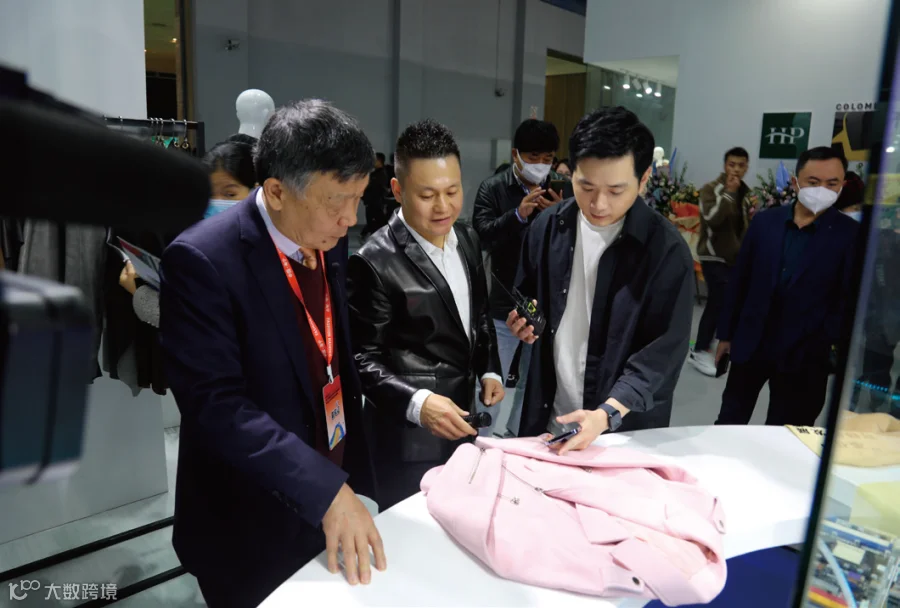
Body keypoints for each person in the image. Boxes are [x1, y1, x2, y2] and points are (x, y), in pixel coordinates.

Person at [159, 100, 386, 607]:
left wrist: (347, 481)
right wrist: (323, 488)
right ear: (278, 191)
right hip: (248, 521)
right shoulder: (202, 259)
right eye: (337, 202)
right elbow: (217, 406)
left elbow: (332, 352)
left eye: (358, 198)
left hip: (328, 494)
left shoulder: (326, 235)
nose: (350, 219)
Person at [507, 107, 694, 453]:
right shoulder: (548, 228)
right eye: (586, 186)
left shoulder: (666, 253)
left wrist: (606, 414)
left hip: (620, 430)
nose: (598, 204)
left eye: (616, 190)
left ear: (644, 178)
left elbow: (661, 355)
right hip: (550, 418)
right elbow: (529, 294)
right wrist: (524, 323)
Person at [348, 119, 503, 509]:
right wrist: (417, 403)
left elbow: (479, 315)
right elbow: (361, 358)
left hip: (462, 421)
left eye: (453, 191)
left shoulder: (466, 238)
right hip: (407, 438)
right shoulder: (373, 261)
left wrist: (489, 369)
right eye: (428, 195)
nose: (443, 207)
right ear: (397, 190)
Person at [715, 147, 859, 427]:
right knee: (730, 420)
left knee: (787, 432)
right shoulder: (765, 222)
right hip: (752, 342)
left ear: (842, 185)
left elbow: (848, 299)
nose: (822, 190)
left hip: (805, 355)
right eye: (813, 182)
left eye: (832, 183)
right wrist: (726, 334)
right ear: (796, 182)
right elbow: (741, 280)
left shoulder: (850, 235)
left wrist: (827, 341)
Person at [472, 119, 564, 436]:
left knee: (534, 381)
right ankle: (481, 440)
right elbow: (482, 236)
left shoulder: (562, 189)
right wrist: (517, 216)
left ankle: (518, 437)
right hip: (504, 301)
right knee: (491, 379)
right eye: (533, 157)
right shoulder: (494, 188)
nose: (541, 165)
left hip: (547, 304)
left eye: (548, 158)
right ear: (516, 155)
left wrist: (561, 215)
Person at [118, 139, 259, 328]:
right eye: (209, 194)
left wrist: (141, 295)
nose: (217, 202)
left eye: (230, 194)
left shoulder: (261, 249)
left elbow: (204, 322)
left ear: (256, 190)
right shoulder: (203, 242)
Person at [689, 147, 752, 376]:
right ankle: (699, 350)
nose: (736, 169)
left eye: (741, 165)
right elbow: (711, 219)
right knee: (718, 301)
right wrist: (728, 193)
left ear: (746, 167)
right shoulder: (711, 189)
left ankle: (714, 343)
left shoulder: (745, 193)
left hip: (734, 259)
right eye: (732, 164)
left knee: (728, 303)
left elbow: (742, 227)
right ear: (725, 166)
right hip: (712, 255)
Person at [361, 152, 388, 238]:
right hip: (371, 203)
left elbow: (376, 189)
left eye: (375, 160)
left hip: (376, 203)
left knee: (376, 224)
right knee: (373, 224)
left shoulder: (381, 175)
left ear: (379, 161)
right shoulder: (374, 174)